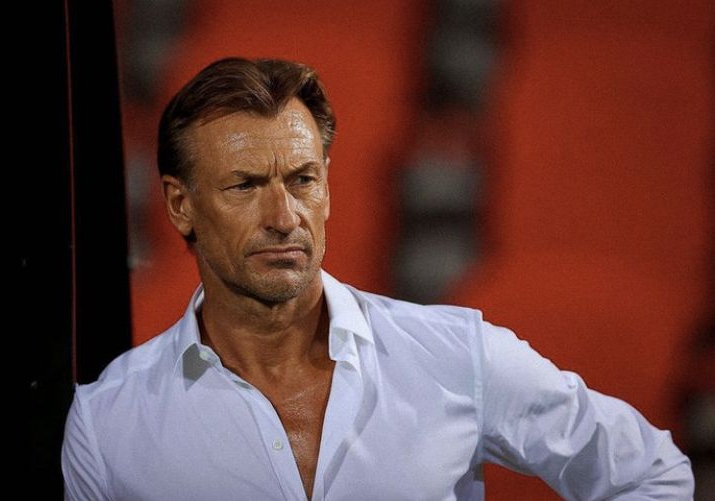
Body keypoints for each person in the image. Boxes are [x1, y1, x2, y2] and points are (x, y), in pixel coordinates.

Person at [61, 57, 694, 500]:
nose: (284, 217)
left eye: (303, 180)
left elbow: (653, 474)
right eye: (246, 185)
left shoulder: (458, 356)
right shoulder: (107, 423)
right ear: (180, 206)